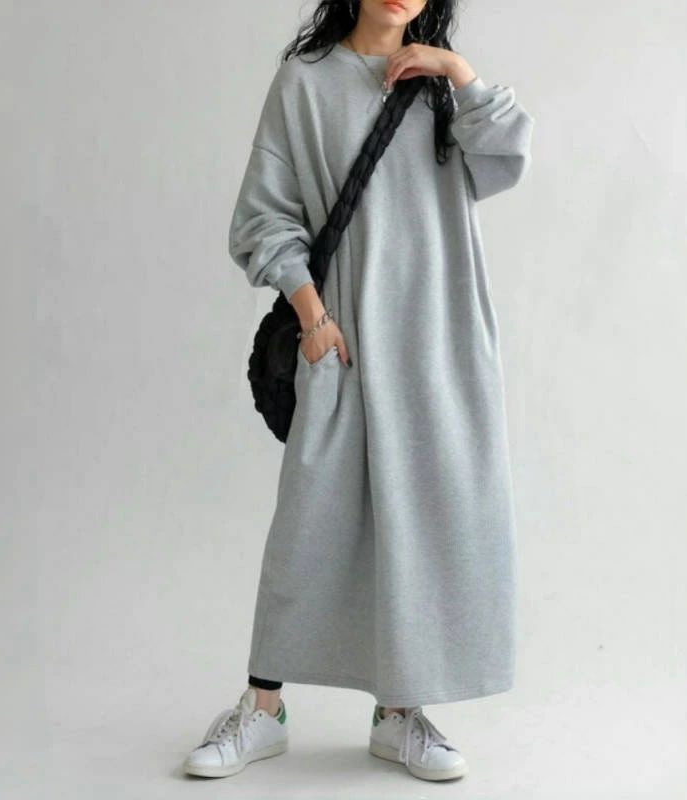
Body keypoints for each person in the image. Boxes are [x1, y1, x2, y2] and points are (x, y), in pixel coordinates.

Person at [183, 0, 534, 783]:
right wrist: (312, 317)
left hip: (440, 335)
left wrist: (458, 71)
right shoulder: (305, 83)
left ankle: (399, 712)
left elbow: (506, 159)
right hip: (344, 336)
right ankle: (263, 709)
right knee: (309, 523)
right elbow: (264, 213)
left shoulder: (440, 86)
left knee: (428, 521)